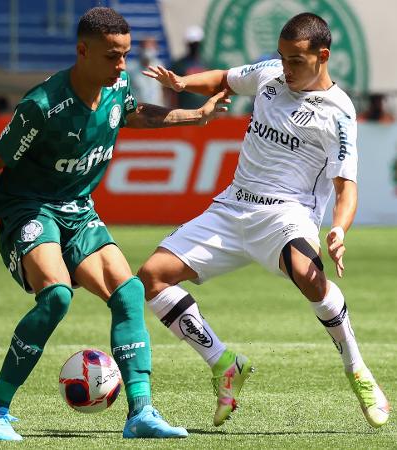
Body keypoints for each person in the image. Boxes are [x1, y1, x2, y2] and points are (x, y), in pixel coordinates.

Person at [0, 7, 229, 441]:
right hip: (31, 209)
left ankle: (140, 413)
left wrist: (197, 116)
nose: (122, 65)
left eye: (124, 55)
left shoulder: (117, 84)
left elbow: (134, 113)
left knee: (129, 292)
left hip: (78, 210)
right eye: (111, 56)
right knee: (57, 297)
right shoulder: (42, 106)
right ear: (82, 51)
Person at [139, 12, 390, 429]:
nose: (286, 68)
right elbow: (224, 77)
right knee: (151, 276)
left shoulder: (339, 112)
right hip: (232, 206)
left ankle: (358, 369)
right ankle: (224, 363)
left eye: (296, 60)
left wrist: (339, 228)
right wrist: (182, 84)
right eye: (283, 57)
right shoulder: (271, 74)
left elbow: (346, 186)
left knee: (309, 276)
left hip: (286, 215)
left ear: (322, 56)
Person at [169, 25, 208, 109]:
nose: (194, 47)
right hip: (185, 112)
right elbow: (172, 93)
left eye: (196, 44)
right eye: (192, 44)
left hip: (205, 112)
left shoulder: (207, 64)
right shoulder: (178, 65)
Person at [130, 36, 166, 106]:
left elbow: (164, 89)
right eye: (146, 47)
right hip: (138, 110)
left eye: (151, 47)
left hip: (157, 109)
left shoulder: (160, 66)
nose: (148, 50)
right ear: (140, 48)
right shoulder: (130, 68)